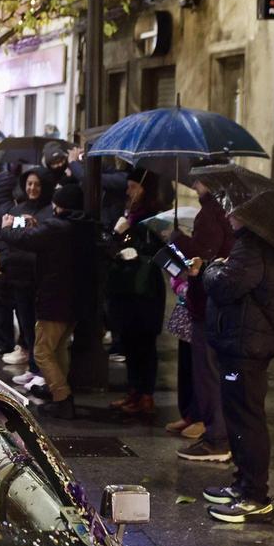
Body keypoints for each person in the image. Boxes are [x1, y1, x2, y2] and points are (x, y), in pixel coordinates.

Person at [196, 215, 274, 524]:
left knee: (246, 420)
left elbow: (226, 286)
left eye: (236, 211)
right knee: (240, 417)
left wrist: (210, 268)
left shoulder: (253, 247)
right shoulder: (265, 246)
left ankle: (255, 497)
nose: (228, 216)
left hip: (246, 346)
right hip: (247, 343)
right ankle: (243, 485)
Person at [0, 184, 98, 419]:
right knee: (60, 347)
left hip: (55, 298)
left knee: (42, 351)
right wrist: (36, 225)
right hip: (76, 298)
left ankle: (62, 397)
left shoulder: (56, 226)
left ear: (59, 204)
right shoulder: (82, 226)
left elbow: (23, 239)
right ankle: (58, 391)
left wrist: (7, 227)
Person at [170, 176, 235, 460]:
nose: (194, 183)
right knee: (211, 371)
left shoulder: (211, 212)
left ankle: (216, 439)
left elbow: (202, 253)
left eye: (198, 178)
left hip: (206, 303)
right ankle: (216, 431)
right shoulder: (225, 209)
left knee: (207, 372)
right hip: (216, 303)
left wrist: (178, 239)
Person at [107, 168, 166, 417]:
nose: (129, 191)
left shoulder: (153, 218)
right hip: (126, 289)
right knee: (130, 341)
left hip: (145, 290)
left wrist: (134, 241)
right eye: (129, 186)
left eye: (134, 187)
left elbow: (156, 250)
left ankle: (145, 394)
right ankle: (134, 391)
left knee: (145, 344)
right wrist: (118, 234)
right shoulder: (128, 214)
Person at [0, 168, 55, 385]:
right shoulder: (19, 210)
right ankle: (34, 368)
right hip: (18, 277)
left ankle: (42, 372)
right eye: (29, 184)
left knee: (40, 329)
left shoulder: (49, 212)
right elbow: (6, 237)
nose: (32, 188)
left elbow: (40, 241)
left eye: (37, 184)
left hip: (39, 278)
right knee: (26, 325)